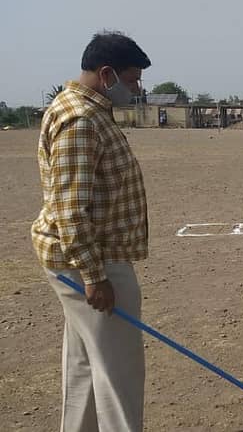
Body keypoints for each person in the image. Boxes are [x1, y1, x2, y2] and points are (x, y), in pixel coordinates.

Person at [32, 31, 152, 431]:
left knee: (84, 364)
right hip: (92, 260)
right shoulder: (80, 120)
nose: (136, 88)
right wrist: (94, 276)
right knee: (120, 373)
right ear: (107, 74)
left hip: (86, 258)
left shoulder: (88, 111)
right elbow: (70, 209)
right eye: (132, 79)